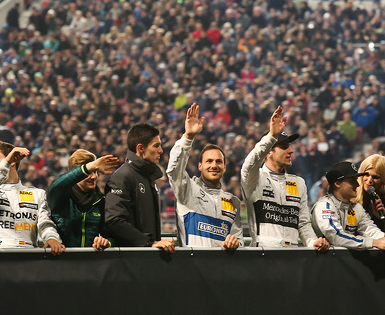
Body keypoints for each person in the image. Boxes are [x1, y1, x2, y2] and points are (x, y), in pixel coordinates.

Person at [241, 106, 329, 250]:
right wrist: (271, 137)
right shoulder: (254, 179)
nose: (291, 150)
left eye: (289, 146)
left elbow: (303, 224)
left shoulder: (298, 183)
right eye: (284, 147)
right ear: (269, 152)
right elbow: (249, 164)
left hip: (292, 256)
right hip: (263, 255)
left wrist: (313, 242)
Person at [167, 103, 242, 249]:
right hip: (194, 267)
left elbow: (239, 240)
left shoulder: (233, 202)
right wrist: (188, 138)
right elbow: (174, 170)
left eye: (218, 162)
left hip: (222, 268)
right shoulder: (187, 190)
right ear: (200, 166)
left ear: (224, 167)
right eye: (209, 161)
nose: (214, 165)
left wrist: (236, 243)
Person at [0, 141, 64, 254]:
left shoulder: (37, 193)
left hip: (29, 255)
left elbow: (44, 223)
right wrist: (4, 163)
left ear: (12, 161)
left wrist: (51, 238)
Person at [104, 123, 175, 251]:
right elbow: (114, 220)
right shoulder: (122, 176)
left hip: (146, 258)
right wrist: (148, 243)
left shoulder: (148, 177)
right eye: (156, 145)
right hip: (130, 261)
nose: (161, 150)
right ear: (140, 148)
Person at [311, 160, 385, 251]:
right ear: (337, 183)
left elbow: (369, 229)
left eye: (356, 180)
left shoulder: (356, 208)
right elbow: (336, 237)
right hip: (322, 262)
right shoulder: (325, 206)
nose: (357, 184)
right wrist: (373, 242)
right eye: (352, 181)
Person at [47, 148, 118, 249]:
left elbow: (112, 236)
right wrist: (88, 167)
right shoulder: (61, 196)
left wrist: (107, 242)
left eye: (95, 172)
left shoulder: (100, 201)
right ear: (76, 174)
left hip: (88, 261)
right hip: (61, 259)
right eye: (89, 172)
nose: (93, 177)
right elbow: (55, 186)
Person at [355, 154, 385, 233]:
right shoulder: (351, 195)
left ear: (383, 180)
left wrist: (382, 218)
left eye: (375, 177)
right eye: (366, 175)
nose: (369, 180)